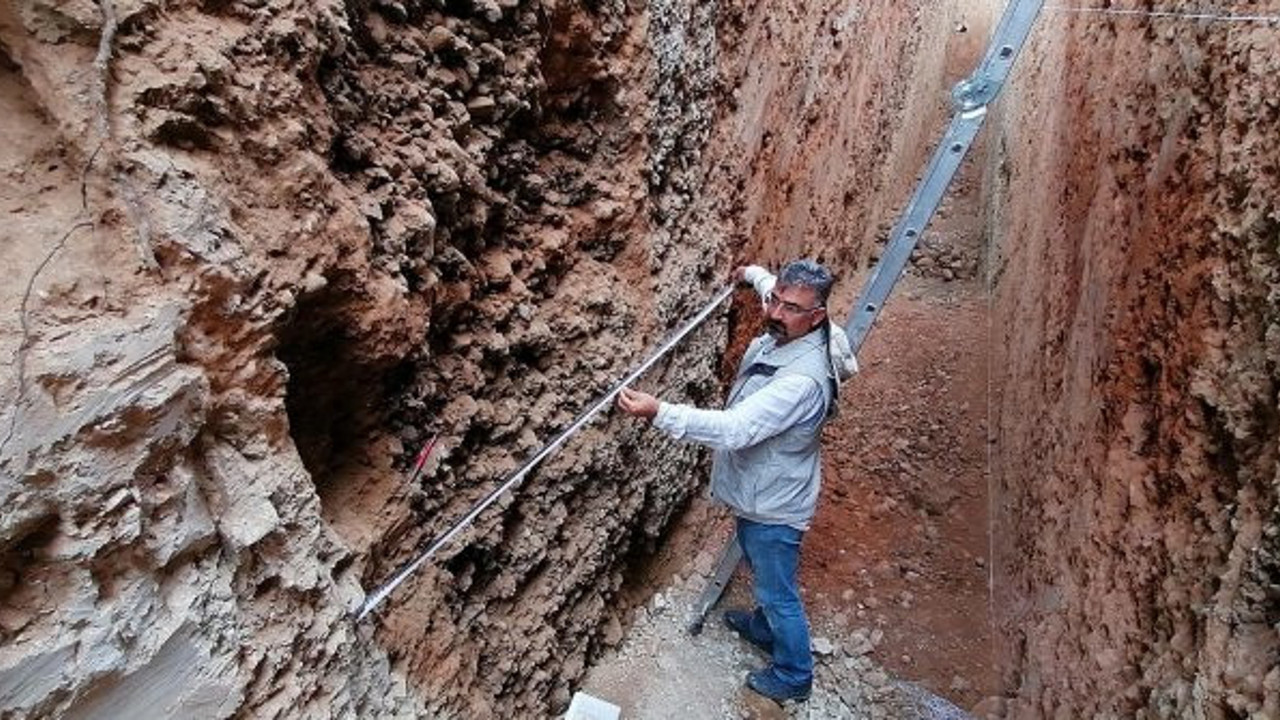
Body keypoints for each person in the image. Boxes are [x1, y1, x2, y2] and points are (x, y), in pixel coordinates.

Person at [616, 259, 856, 703]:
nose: (777, 314)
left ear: (818, 315)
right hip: (762, 490)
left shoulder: (801, 382)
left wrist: (658, 412)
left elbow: (735, 430)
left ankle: (793, 674)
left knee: (777, 588)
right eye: (776, 301)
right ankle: (764, 629)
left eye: (791, 309)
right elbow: (769, 287)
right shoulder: (805, 321)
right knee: (763, 568)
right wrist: (750, 272)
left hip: (775, 505)